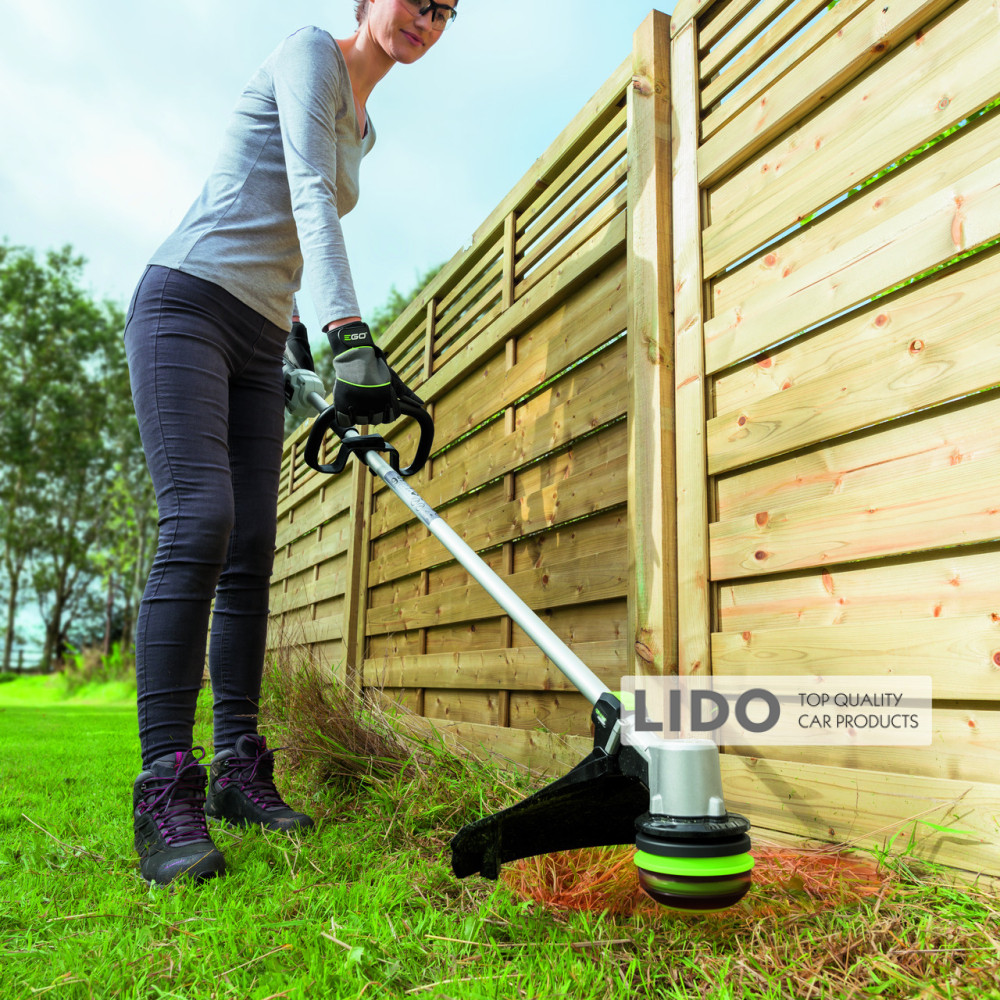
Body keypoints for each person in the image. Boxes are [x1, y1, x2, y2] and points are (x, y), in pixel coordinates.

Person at [125, 0, 458, 886]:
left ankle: (238, 770)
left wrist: (304, 335)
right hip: (189, 303)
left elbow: (294, 235)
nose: (428, 18)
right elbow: (308, 191)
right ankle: (164, 787)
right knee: (201, 522)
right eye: (417, 0)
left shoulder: (368, 128)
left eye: (447, 10)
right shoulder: (310, 52)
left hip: (263, 337)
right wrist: (351, 334)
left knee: (251, 553)